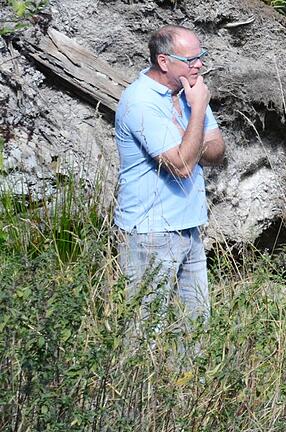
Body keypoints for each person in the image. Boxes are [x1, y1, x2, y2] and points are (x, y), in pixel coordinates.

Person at [114, 25, 225, 333]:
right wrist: (199, 110)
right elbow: (182, 167)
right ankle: (137, 385)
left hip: (189, 229)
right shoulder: (141, 102)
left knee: (195, 331)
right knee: (143, 335)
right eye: (190, 59)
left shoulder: (189, 91)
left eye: (201, 57)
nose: (199, 65)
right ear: (164, 62)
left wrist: (189, 141)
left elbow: (217, 151)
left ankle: (187, 384)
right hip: (150, 232)